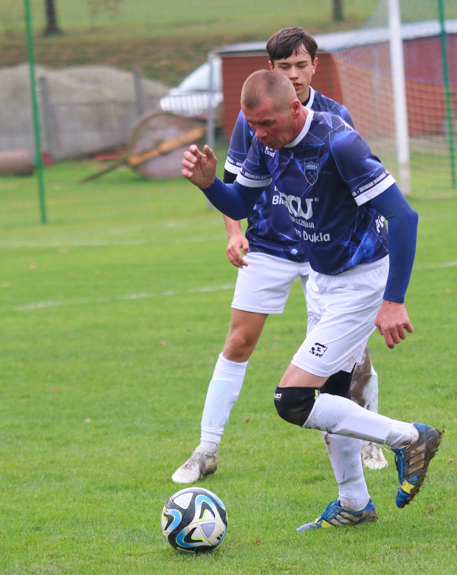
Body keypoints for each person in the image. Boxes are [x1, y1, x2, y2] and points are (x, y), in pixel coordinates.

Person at [182, 70, 443, 529]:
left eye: (265, 125)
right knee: (333, 397)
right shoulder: (267, 144)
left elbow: (404, 217)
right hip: (324, 281)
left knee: (294, 399)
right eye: (251, 126)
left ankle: (409, 438)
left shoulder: (339, 144)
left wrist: (393, 301)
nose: (258, 135)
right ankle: (354, 503)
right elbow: (242, 204)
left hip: (360, 283)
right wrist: (209, 184)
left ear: (296, 109)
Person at [172, 27, 387, 485]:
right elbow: (233, 185)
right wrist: (234, 233)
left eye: (301, 64)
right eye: (284, 66)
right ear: (271, 71)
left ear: (315, 65)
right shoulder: (255, 115)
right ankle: (207, 447)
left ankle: (371, 439)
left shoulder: (335, 119)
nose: (294, 74)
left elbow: (368, 197)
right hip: (268, 243)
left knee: (349, 357)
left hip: (323, 252)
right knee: (239, 341)